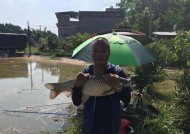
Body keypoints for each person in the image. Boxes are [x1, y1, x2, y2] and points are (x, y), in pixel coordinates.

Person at [71, 37, 131, 134]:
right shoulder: (85, 72)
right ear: (91, 53)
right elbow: (76, 102)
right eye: (95, 50)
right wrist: (77, 86)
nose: (98, 54)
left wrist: (118, 86)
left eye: (103, 51)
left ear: (109, 52)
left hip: (111, 126)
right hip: (89, 126)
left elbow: (127, 100)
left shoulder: (117, 72)